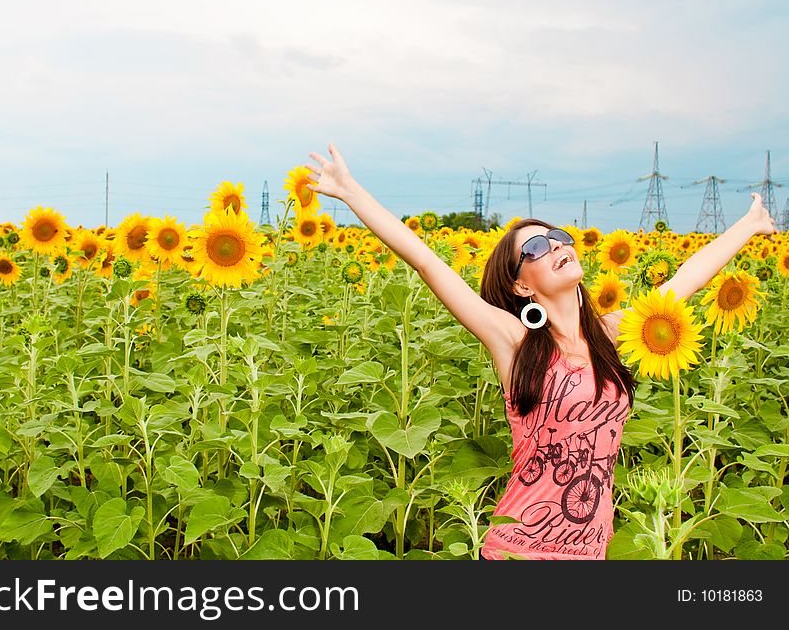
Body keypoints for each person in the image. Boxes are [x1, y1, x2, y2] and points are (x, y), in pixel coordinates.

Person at [306, 143, 777, 560]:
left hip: (592, 550)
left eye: (559, 237)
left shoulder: (614, 334)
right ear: (519, 282)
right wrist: (351, 193)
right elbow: (428, 262)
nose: (555, 246)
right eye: (534, 246)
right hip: (520, 551)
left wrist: (748, 224)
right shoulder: (515, 340)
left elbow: (686, 280)